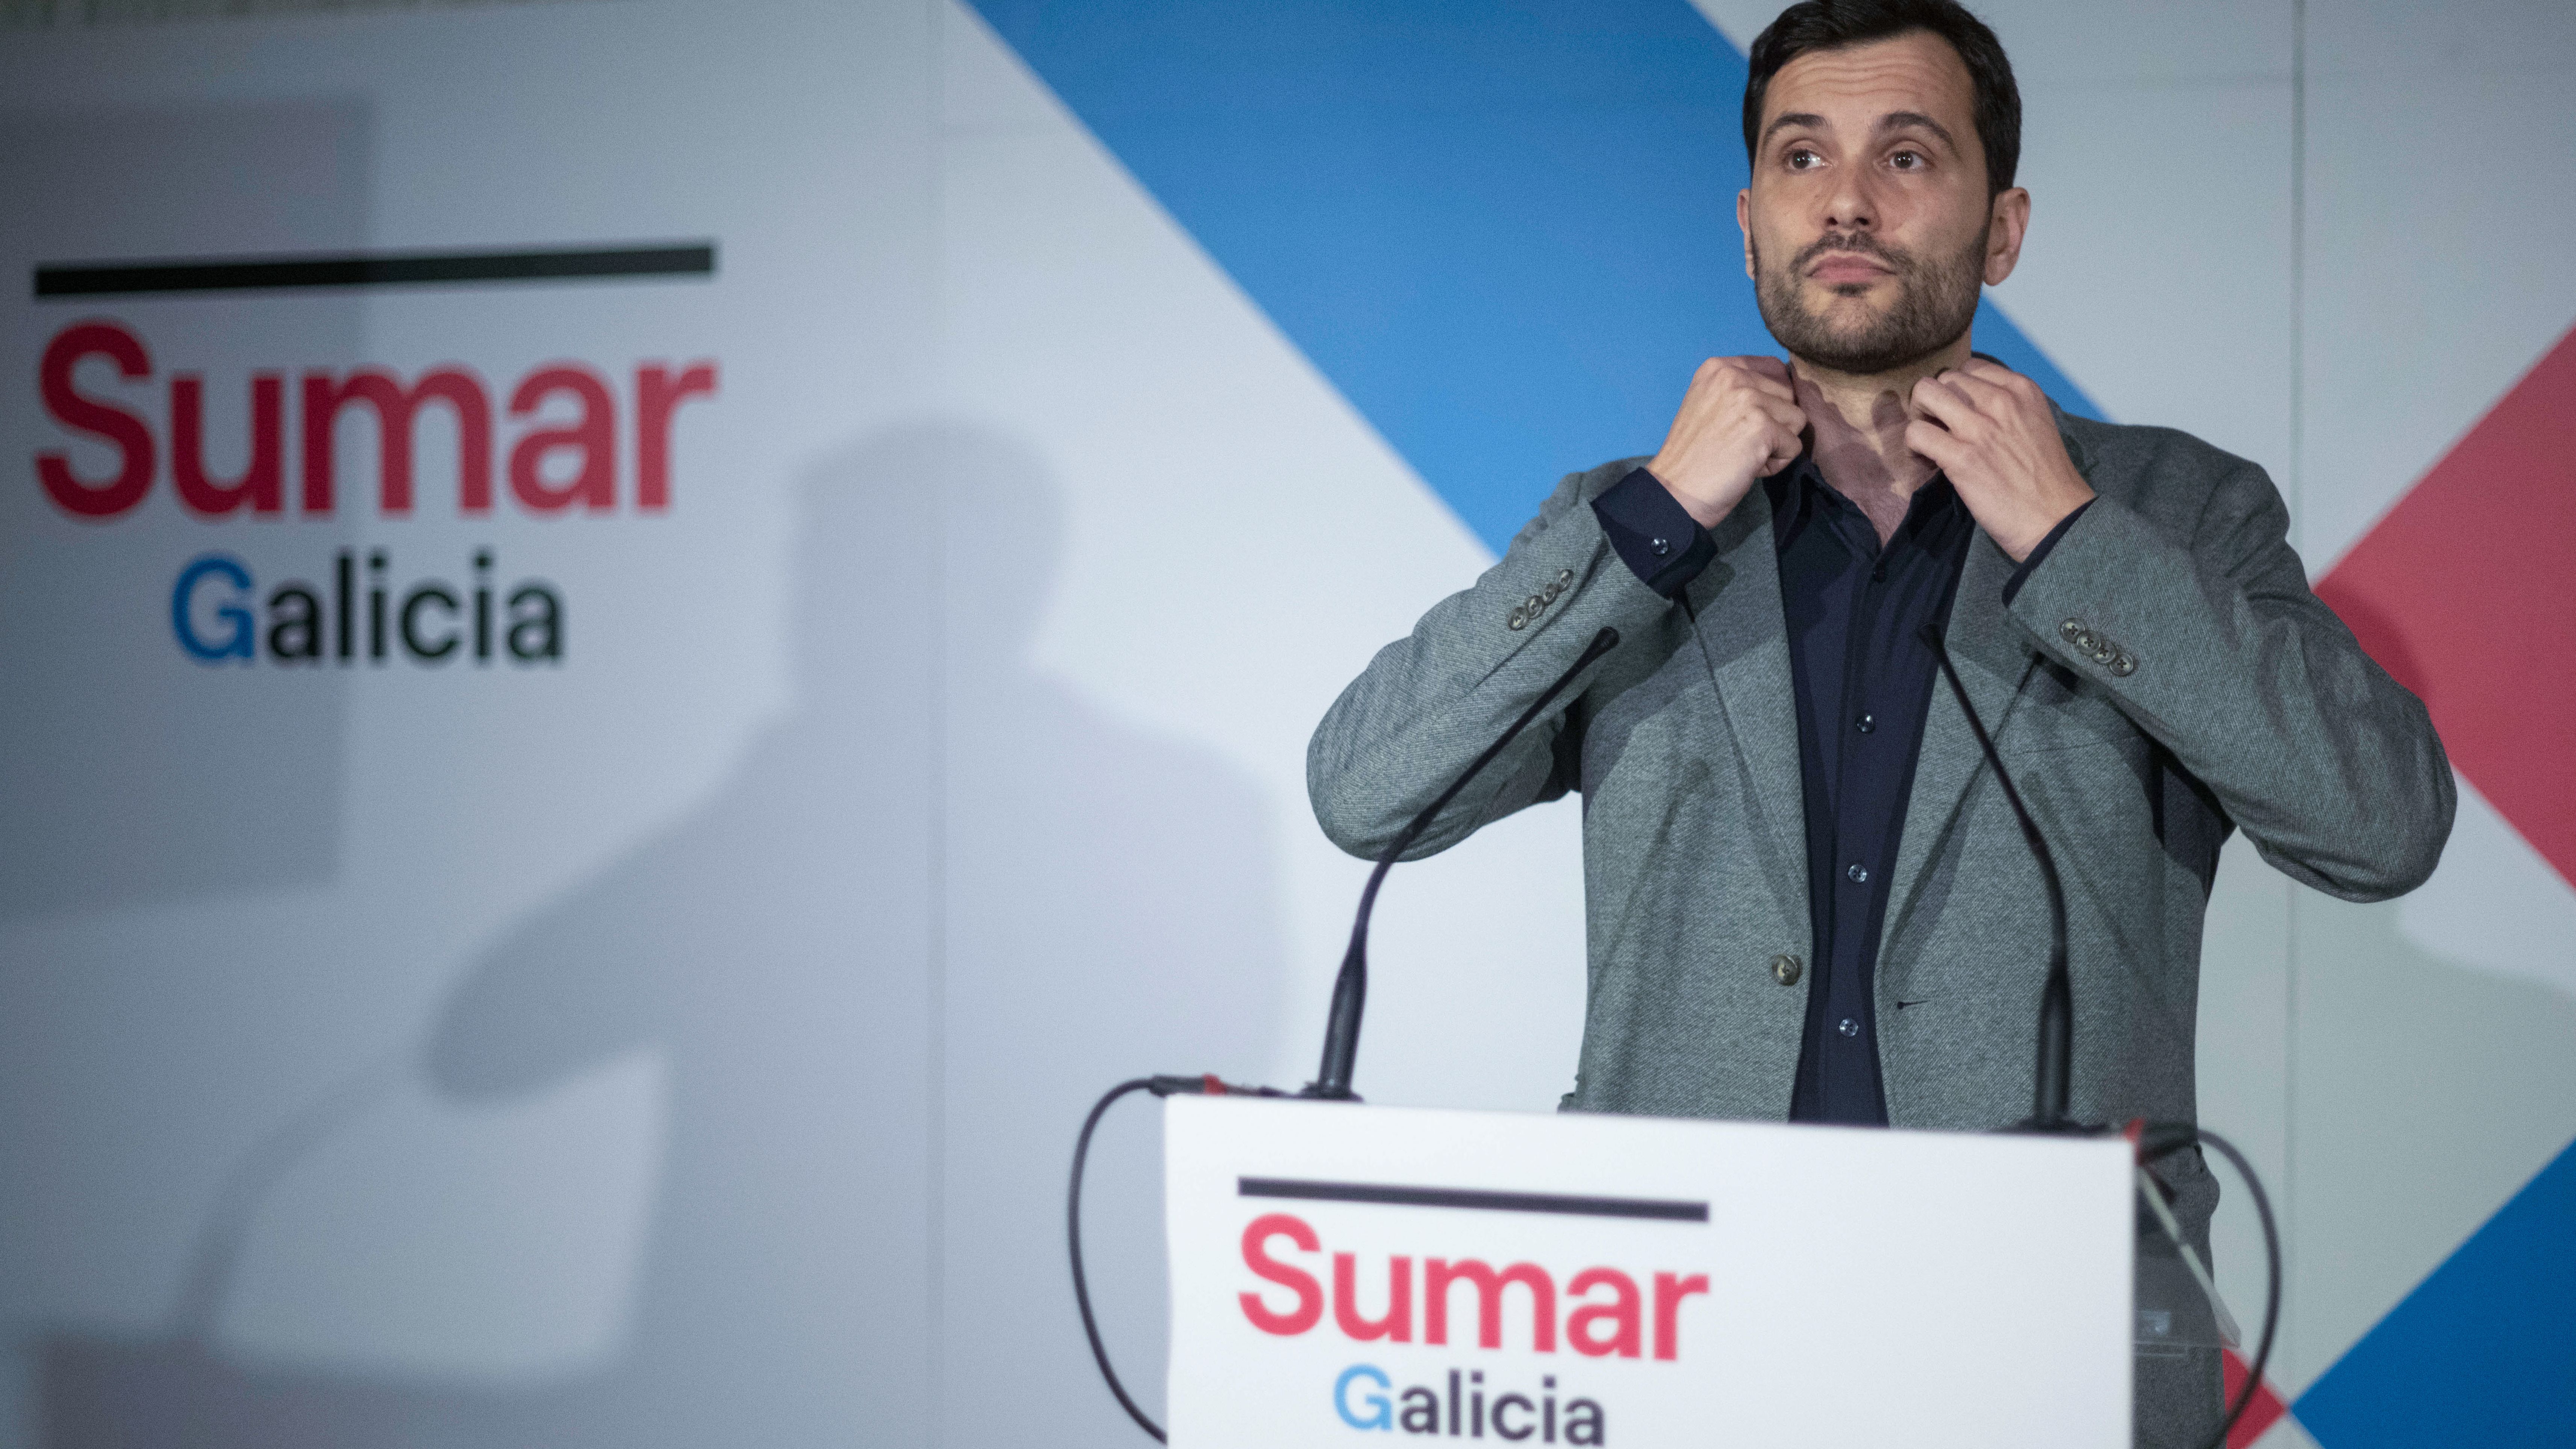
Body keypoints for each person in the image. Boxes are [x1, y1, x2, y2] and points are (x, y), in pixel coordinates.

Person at [1306, 1, 2454, 1442]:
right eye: (1803, 155)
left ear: (2004, 228)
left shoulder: (2176, 511)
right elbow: (1365, 790)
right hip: (1673, 1330)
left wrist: (2073, 542)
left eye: (1908, 155)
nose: (1846, 196)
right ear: (1749, 223)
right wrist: (1654, 519)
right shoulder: (1637, 518)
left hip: (2048, 1336)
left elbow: (2383, 826)